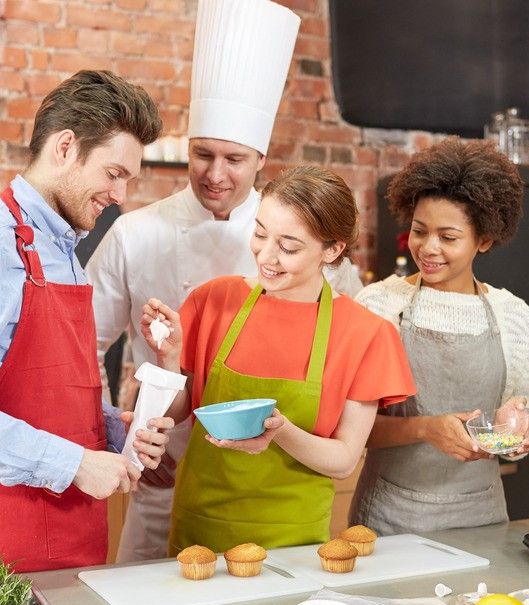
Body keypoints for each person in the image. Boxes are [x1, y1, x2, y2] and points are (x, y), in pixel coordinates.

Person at [87, 0, 361, 562]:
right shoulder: (134, 234)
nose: (216, 174)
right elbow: (81, 345)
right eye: (202, 155)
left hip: (275, 476)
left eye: (234, 159)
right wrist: (119, 435)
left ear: (261, 156)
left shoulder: (299, 231)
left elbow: (348, 335)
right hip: (158, 465)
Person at [0, 70, 173, 576]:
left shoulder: (64, 252)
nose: (122, 194)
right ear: (65, 147)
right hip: (0, 553)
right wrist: (73, 464)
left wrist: (110, 430)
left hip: (76, 542)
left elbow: (42, 393)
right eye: (114, 173)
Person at [140, 165, 415, 553]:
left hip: (295, 541)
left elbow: (343, 460)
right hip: (201, 529)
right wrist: (168, 361)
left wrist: (279, 432)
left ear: (332, 249)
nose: (266, 256)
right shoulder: (214, 301)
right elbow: (180, 411)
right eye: (260, 233)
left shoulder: (366, 334)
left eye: (288, 247)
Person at [349, 138, 529, 534]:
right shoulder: (378, 305)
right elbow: (349, 432)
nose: (428, 248)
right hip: (389, 518)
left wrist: (520, 432)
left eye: (448, 237)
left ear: (484, 239)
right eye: (420, 231)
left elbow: (513, 423)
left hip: (483, 516)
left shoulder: (514, 316)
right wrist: (425, 428)